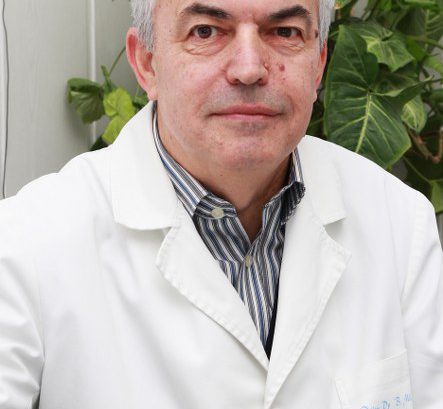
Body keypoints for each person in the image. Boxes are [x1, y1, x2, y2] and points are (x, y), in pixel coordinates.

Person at [0, 0, 442, 407]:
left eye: (285, 32)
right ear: (147, 63)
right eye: (206, 31)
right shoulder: (27, 246)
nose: (249, 69)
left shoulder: (400, 224)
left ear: (319, 63)